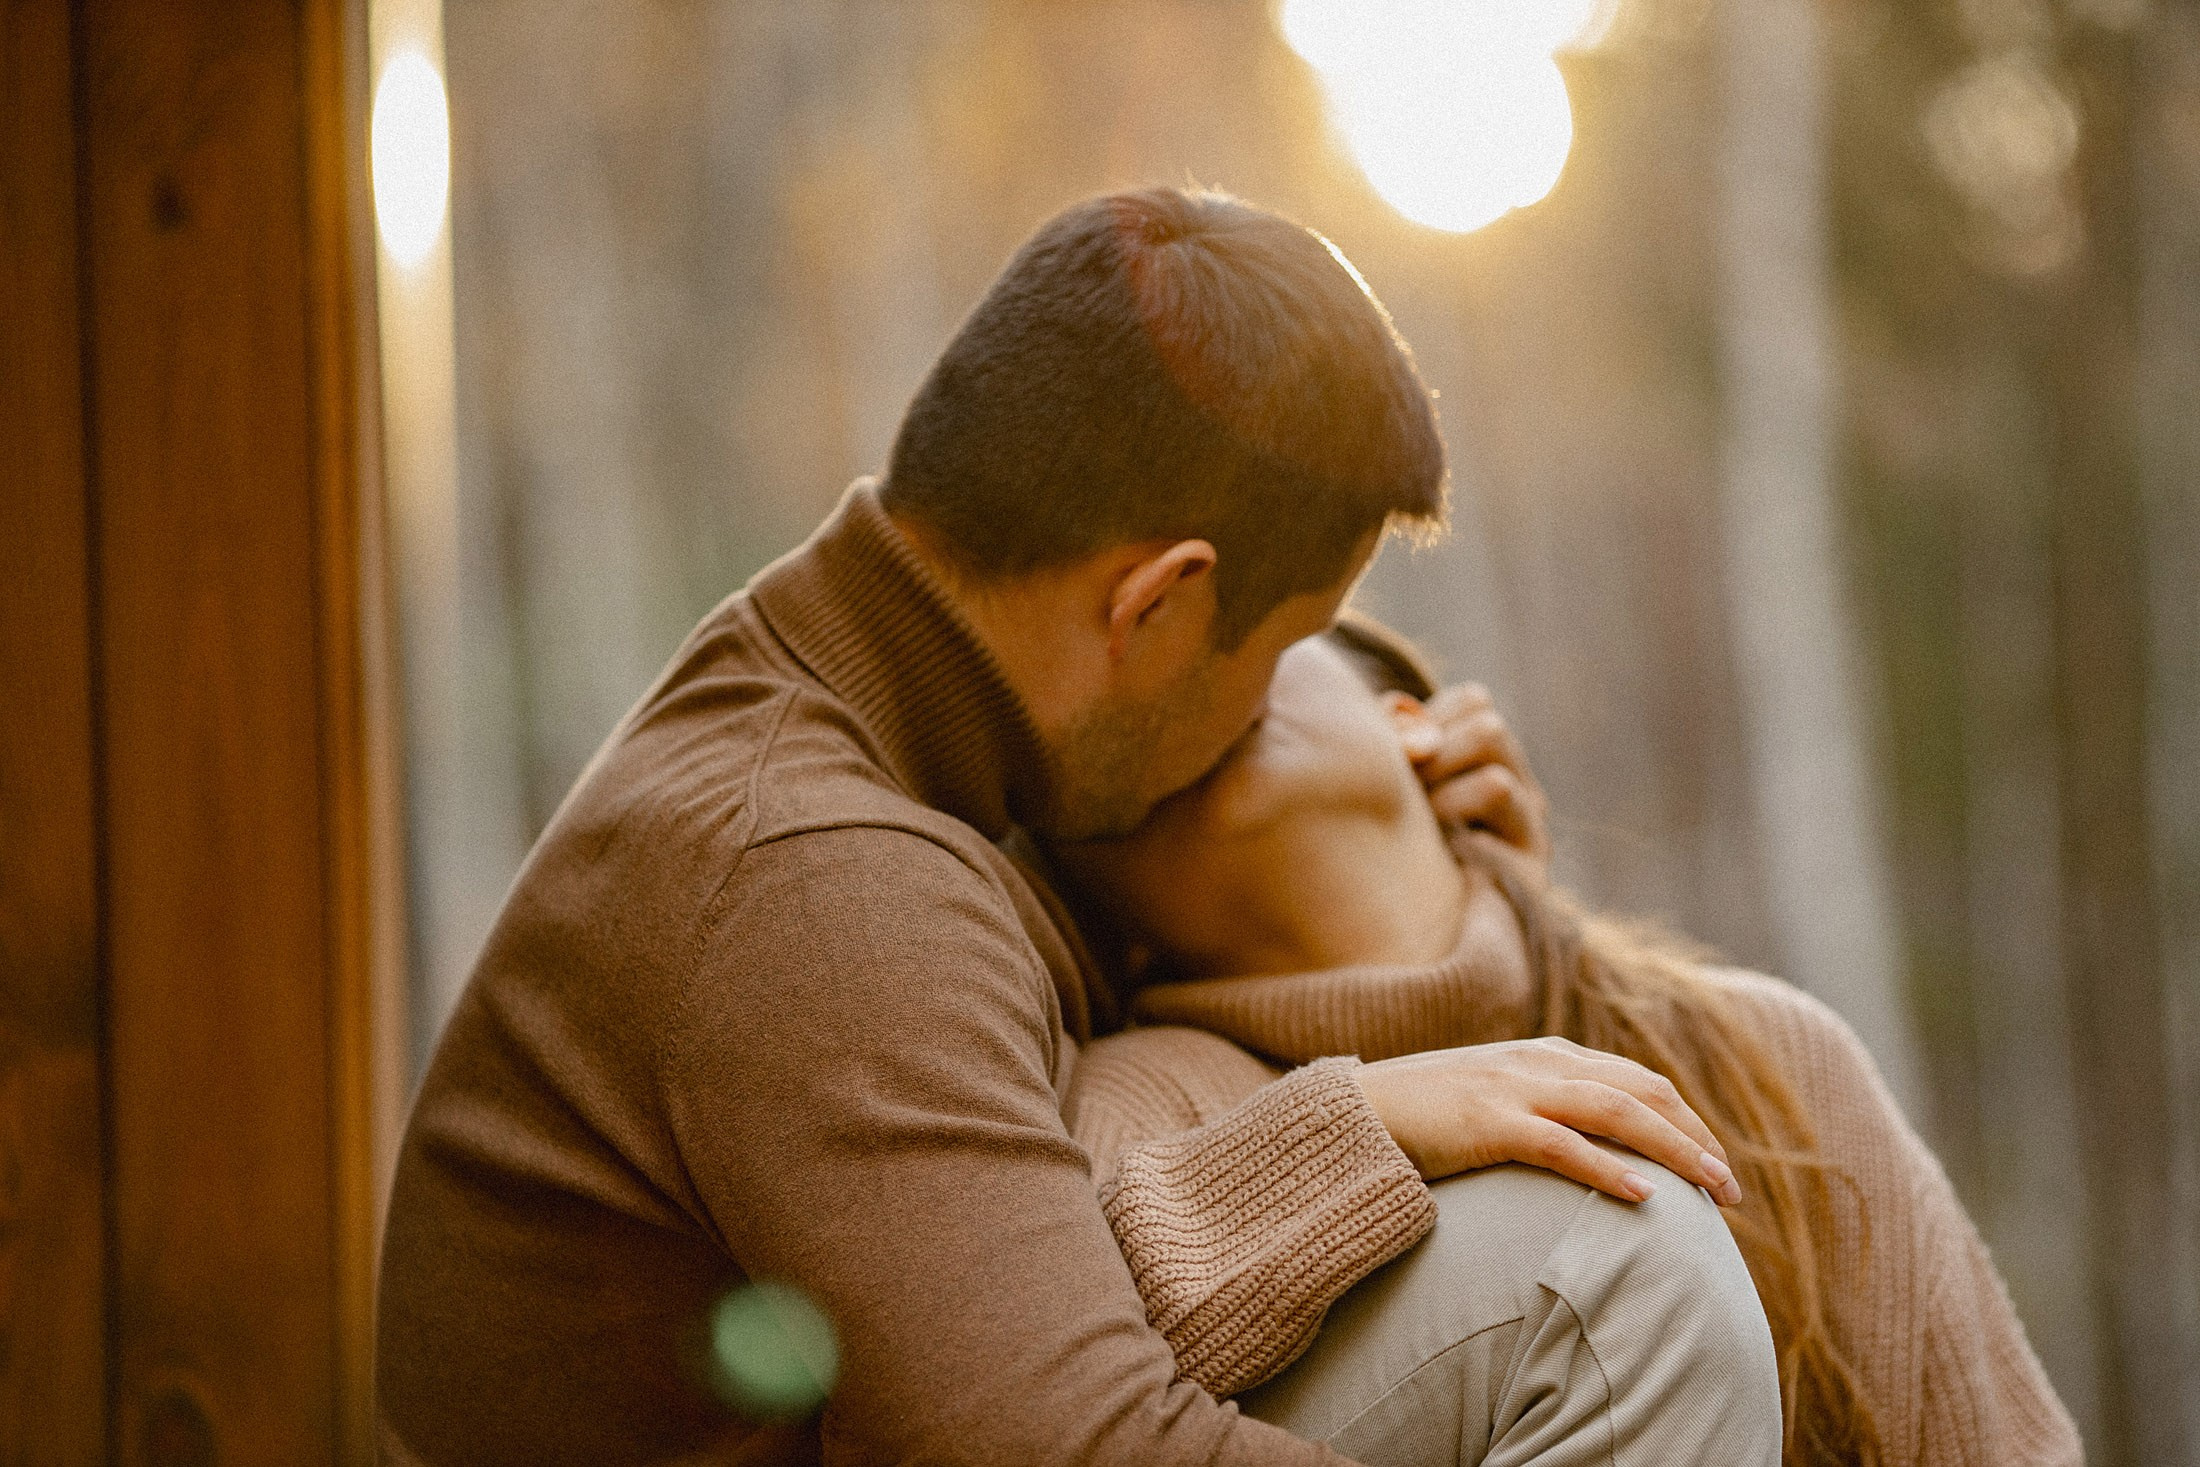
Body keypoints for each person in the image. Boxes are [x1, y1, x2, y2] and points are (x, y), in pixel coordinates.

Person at [375, 187, 1782, 1465]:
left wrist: (1464, 908)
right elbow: (1081, 1446)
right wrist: (1352, 1121)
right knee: (1614, 1282)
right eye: (1278, 656)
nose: (1261, 724)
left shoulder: (886, 735)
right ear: (1156, 603)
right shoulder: (817, 882)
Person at [1053, 625, 2087, 1466]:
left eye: (1245, 644)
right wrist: (1357, 1125)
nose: (1190, 699)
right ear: (1103, 890)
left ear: (1408, 722)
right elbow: (1041, 1380)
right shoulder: (1138, 1091)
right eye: (1127, 726)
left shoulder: (1760, 1050)